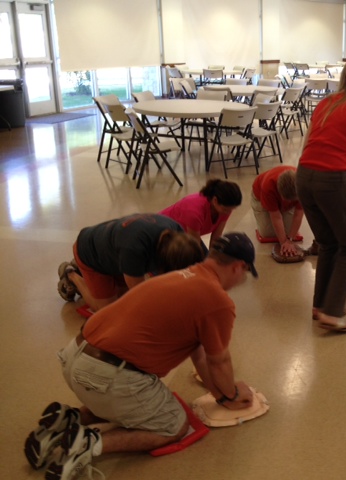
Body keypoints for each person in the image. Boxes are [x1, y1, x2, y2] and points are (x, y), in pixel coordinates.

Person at [26, 233, 258, 479]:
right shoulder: (217, 300)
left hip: (75, 356)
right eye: (244, 274)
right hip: (108, 375)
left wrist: (222, 396)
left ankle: (70, 418)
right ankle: (88, 442)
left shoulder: (181, 276)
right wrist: (233, 394)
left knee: (131, 403)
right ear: (238, 267)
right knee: (174, 426)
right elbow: (218, 361)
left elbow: (199, 358)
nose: (241, 280)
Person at [295, 57, 346, 333]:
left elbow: (308, 143)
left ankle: (320, 306)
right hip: (332, 178)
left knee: (328, 243)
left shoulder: (326, 103)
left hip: (304, 175)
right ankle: (332, 312)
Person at [58, 214, 204, 312]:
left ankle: (90, 278)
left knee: (122, 296)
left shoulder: (177, 232)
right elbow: (140, 298)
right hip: (89, 252)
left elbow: (198, 267)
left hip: (114, 253)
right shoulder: (134, 250)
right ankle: (71, 274)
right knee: (109, 311)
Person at [159, 178, 242, 250]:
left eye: (232, 209)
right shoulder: (195, 211)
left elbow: (216, 239)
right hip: (162, 233)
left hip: (183, 235)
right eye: (226, 210)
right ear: (215, 200)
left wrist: (215, 259)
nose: (228, 212)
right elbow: (194, 247)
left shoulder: (224, 208)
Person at [251, 165, 305, 257]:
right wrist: (283, 242)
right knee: (267, 234)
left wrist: (290, 240)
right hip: (260, 196)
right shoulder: (268, 187)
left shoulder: (302, 186)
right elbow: (276, 216)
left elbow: (298, 214)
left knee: (289, 232)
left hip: (287, 196)